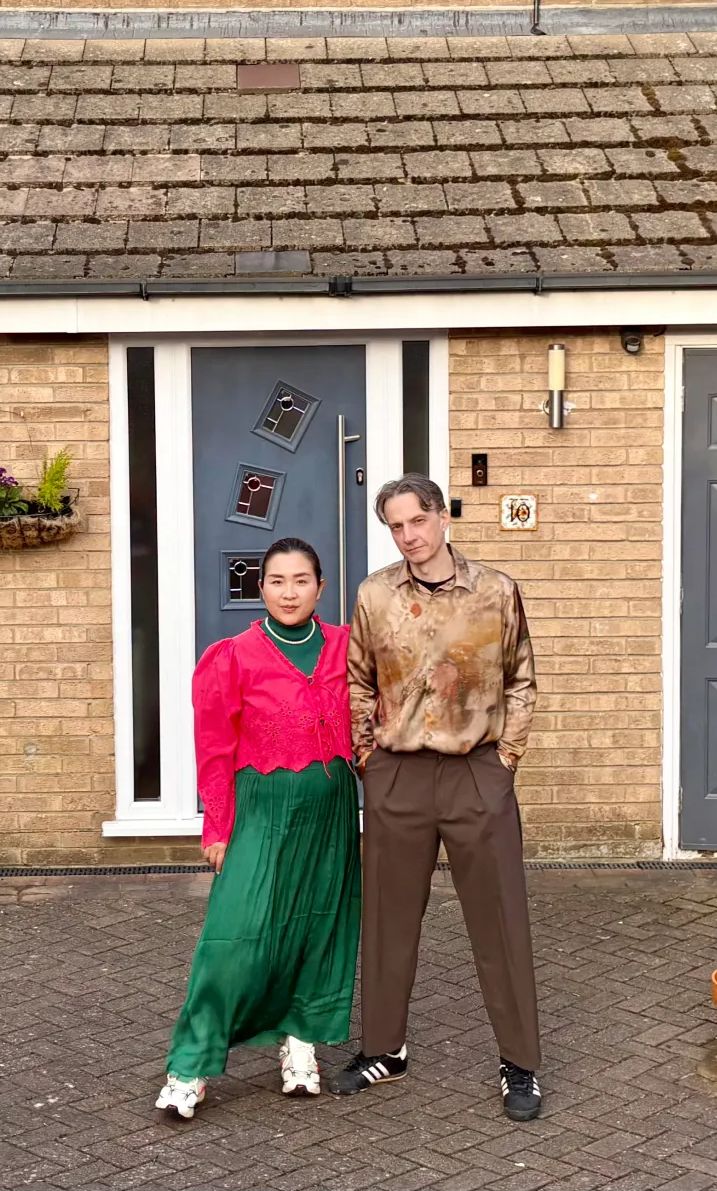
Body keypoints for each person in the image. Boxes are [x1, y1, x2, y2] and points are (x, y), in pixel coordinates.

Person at [335, 473, 543, 1123]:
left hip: (476, 771)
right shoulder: (375, 594)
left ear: (442, 516)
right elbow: (358, 682)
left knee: (500, 918)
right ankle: (384, 1048)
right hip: (396, 772)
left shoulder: (496, 591)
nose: (408, 537)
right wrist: (370, 762)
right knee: (388, 917)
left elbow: (522, 679)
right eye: (395, 527)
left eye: (416, 521)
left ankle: (520, 1062)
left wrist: (504, 760)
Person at [156, 537, 360, 1120]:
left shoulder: (348, 647)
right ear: (260, 587)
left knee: (319, 925)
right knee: (235, 935)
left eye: (301, 580)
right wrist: (217, 825)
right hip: (261, 808)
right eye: (276, 581)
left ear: (321, 587)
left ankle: (301, 1040)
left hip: (332, 809)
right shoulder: (233, 656)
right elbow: (214, 749)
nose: (289, 592)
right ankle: (190, 1064)